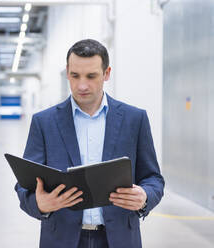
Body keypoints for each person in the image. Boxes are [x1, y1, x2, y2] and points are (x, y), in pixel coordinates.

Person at [14, 39, 165, 248]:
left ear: (106, 74)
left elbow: (153, 178)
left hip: (119, 239)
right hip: (62, 239)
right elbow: (24, 185)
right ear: (67, 72)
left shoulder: (134, 119)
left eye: (91, 76)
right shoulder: (44, 122)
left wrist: (145, 197)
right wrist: (39, 204)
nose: (82, 85)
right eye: (75, 76)